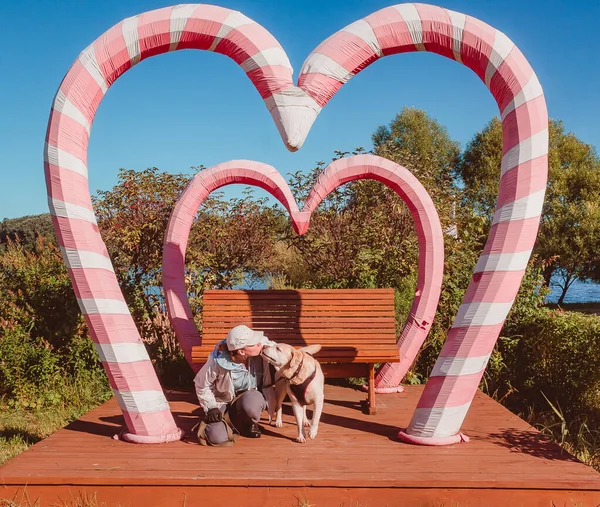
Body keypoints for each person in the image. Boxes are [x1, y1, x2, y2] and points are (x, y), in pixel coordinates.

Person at [193, 324, 276, 446]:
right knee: (217, 438)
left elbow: (271, 344)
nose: (259, 344)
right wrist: (211, 407)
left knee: (254, 403)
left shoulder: (259, 348)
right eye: (253, 343)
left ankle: (246, 422)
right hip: (221, 402)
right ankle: (231, 424)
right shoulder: (217, 361)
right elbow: (202, 385)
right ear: (241, 351)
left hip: (247, 397)